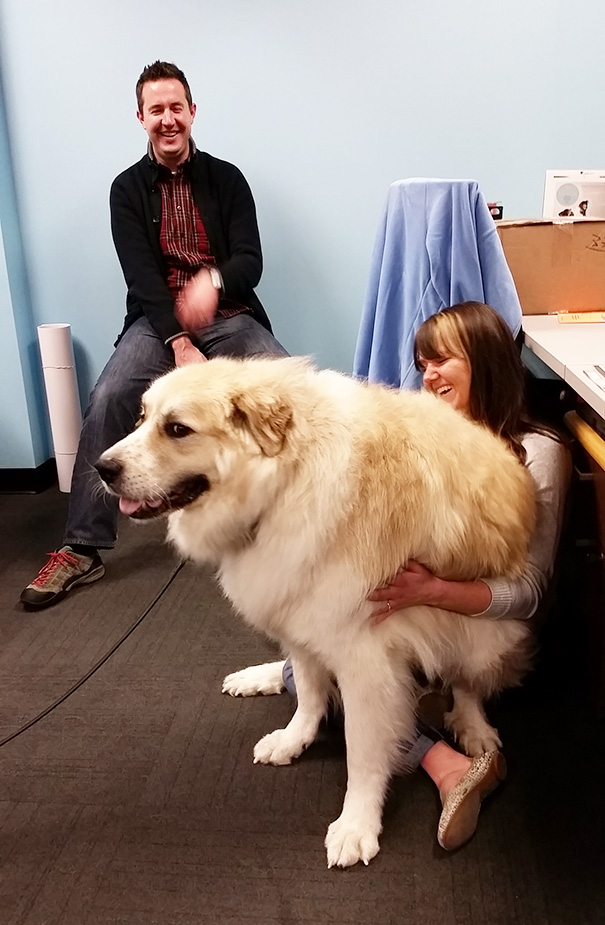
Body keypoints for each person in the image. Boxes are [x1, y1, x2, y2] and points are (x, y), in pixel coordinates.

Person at [231, 301, 571, 851]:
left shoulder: (537, 451)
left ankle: (448, 740)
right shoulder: (414, 433)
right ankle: (310, 686)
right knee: (339, 643)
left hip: (483, 617)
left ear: (485, 363)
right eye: (423, 363)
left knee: (359, 663)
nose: (429, 375)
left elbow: (528, 593)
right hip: (414, 604)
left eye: (444, 360)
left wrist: (435, 591)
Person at [21, 61, 287, 609]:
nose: (168, 119)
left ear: (192, 112)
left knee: (280, 389)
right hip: (155, 319)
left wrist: (210, 283)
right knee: (111, 396)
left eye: (176, 107)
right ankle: (82, 546)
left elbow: (250, 262)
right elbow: (142, 278)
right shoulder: (126, 189)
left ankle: (293, 518)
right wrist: (178, 341)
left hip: (231, 314)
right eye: (156, 110)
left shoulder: (228, 178)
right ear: (141, 117)